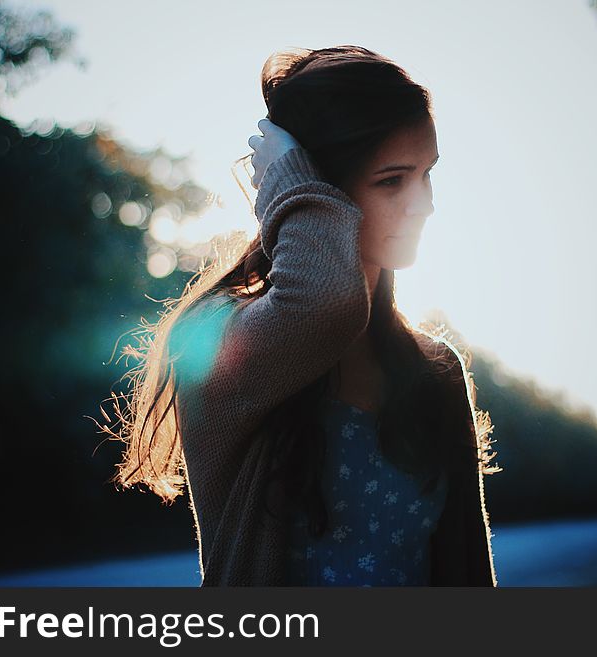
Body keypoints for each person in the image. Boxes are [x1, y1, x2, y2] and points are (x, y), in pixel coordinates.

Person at [107, 45, 499, 586]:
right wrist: (291, 180)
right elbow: (327, 303)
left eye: (427, 174)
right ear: (318, 193)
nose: (424, 204)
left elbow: (468, 580)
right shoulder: (223, 340)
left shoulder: (436, 370)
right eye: (392, 181)